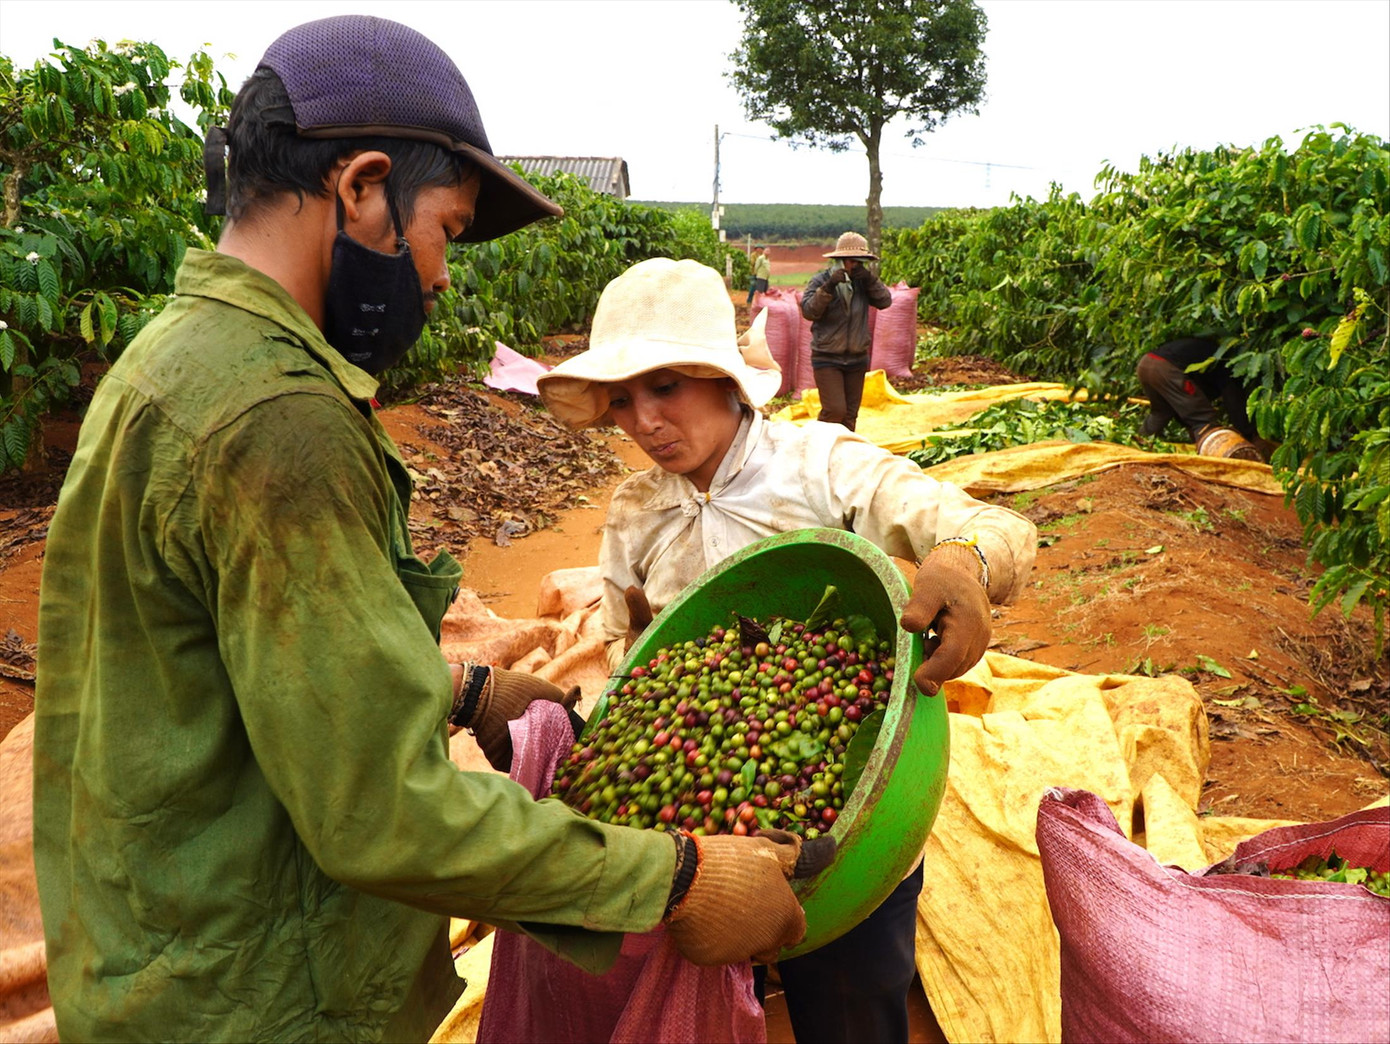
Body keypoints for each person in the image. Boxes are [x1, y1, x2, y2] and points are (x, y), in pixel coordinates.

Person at [32, 17, 811, 1042]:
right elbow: (378, 814)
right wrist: (676, 877)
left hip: (156, 957)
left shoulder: (172, 358)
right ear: (361, 186)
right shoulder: (281, 419)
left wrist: (456, 687)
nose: (441, 277)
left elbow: (218, 659)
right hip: (264, 993)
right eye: (443, 226)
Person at [537, 258, 1038, 1043]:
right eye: (622, 401)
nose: (642, 422)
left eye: (665, 387)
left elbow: (990, 524)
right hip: (705, 846)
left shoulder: (819, 463)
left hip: (855, 817)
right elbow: (629, 659)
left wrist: (965, 561)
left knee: (849, 1005)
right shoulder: (635, 510)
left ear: (727, 381)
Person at [800, 231, 894, 431]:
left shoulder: (864, 283)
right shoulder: (821, 281)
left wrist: (870, 280)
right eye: (852, 261)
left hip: (856, 358)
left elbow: (885, 301)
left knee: (850, 416)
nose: (856, 266)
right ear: (840, 260)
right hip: (827, 358)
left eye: (860, 262)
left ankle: (843, 455)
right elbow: (809, 311)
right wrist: (829, 286)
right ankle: (818, 448)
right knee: (834, 411)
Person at [1137, 336, 1274, 460]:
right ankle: (1219, 458)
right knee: (1203, 419)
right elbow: (1234, 399)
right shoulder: (1227, 365)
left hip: (1146, 364)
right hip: (1165, 368)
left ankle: (1140, 442)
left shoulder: (1210, 353)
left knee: (1161, 412)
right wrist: (1249, 433)